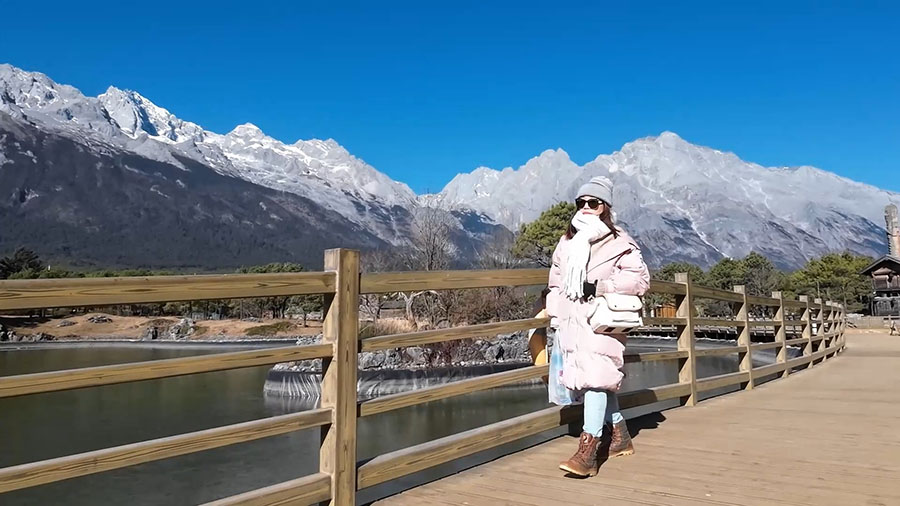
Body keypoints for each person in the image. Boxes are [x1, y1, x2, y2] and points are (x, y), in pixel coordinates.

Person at [546, 176, 651, 477]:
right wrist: (555, 312)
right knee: (596, 378)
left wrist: (599, 286)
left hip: (602, 319)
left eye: (593, 202)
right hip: (572, 321)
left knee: (595, 378)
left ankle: (588, 452)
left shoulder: (620, 242)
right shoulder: (567, 242)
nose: (586, 207)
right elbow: (556, 281)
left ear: (605, 206)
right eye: (581, 202)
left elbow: (640, 280)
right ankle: (620, 435)